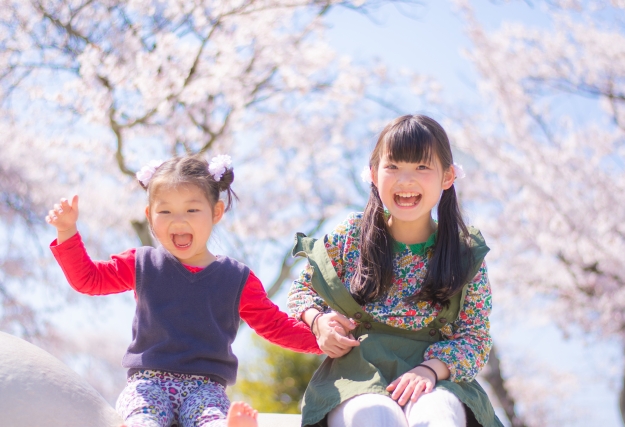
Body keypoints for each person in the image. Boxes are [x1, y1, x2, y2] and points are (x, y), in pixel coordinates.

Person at [46, 155, 322, 427]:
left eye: (191, 210)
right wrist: (67, 231)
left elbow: (275, 326)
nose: (178, 221)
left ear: (216, 212)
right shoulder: (142, 264)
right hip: (147, 381)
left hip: (206, 387)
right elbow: (89, 279)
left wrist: (323, 338)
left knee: (210, 417)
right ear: (149, 216)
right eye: (165, 211)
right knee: (143, 414)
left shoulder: (236, 278)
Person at [287, 115, 503, 427]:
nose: (405, 180)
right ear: (374, 174)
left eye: (421, 167)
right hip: (356, 376)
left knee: (437, 415)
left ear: (448, 176)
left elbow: (475, 338)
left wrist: (430, 370)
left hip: (437, 379)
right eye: (393, 167)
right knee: (376, 416)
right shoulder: (352, 235)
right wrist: (318, 321)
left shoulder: (464, 253)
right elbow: (303, 290)